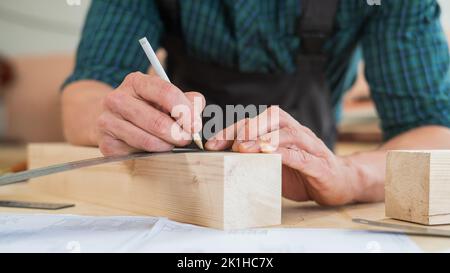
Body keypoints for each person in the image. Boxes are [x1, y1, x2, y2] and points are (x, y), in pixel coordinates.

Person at [61, 0, 450, 206]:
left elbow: (432, 132)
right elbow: (85, 92)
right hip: (180, 195)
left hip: (306, 205)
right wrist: (118, 118)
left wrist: (350, 176)